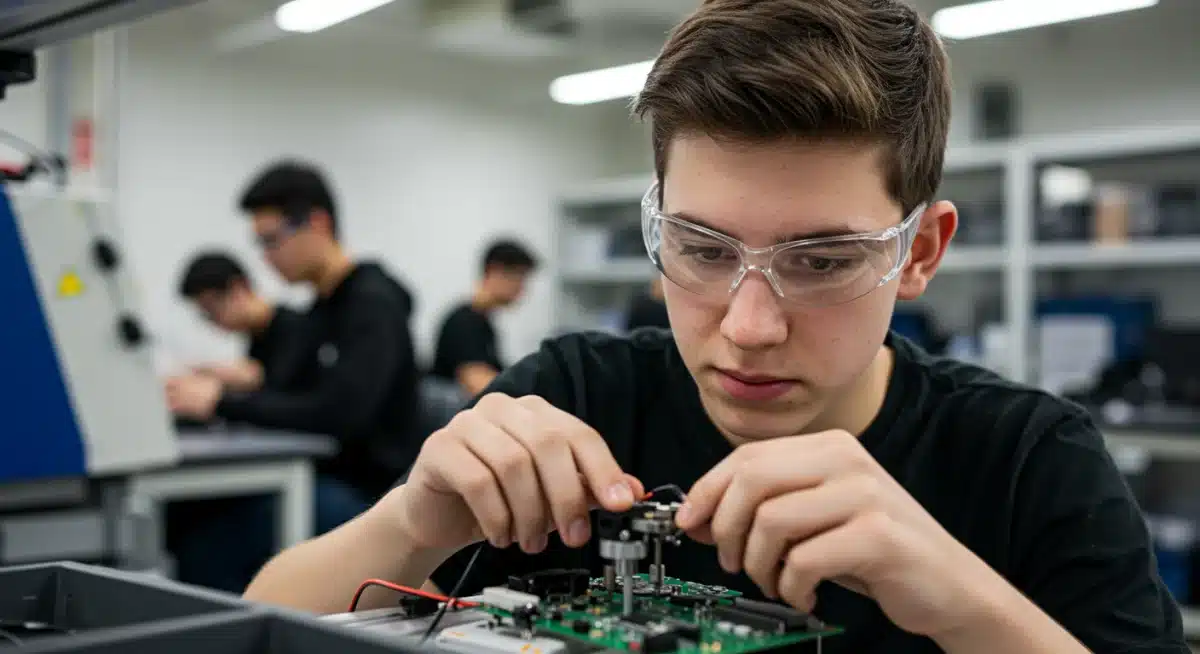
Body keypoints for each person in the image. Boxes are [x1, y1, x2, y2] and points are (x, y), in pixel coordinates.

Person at [241, 2, 1187, 652]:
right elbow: (248, 623)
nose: (748, 326)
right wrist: (410, 523)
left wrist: (962, 601)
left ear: (922, 250)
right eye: (699, 248)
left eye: (821, 261)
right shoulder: (578, 395)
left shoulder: (1029, 460)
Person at [166, 160, 423, 592]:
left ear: (317, 224)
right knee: (190, 512)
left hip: (373, 491)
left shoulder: (372, 304)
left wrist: (218, 402)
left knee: (213, 536)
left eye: (271, 240)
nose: (265, 257)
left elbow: (340, 413)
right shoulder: (319, 311)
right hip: (324, 473)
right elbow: (286, 393)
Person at [175, 250, 305, 393]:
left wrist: (253, 380)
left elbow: (290, 398)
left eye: (212, 310)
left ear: (239, 288)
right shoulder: (256, 342)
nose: (213, 322)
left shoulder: (297, 328)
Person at [430, 239, 539, 397]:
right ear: (495, 271)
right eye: (519, 278)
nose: (522, 289)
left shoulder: (483, 323)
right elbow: (479, 383)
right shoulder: (464, 323)